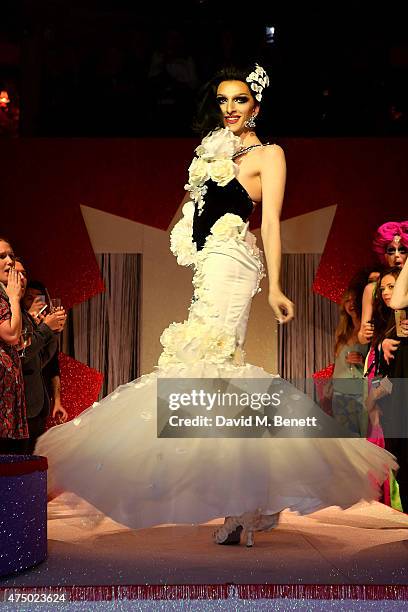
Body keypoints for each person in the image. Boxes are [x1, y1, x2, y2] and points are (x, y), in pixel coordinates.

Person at [36, 63, 397, 546]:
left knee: (206, 367)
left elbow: (270, 222)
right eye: (223, 99)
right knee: (212, 377)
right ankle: (245, 502)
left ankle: (246, 500)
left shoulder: (270, 154)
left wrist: (275, 287)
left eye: (240, 100)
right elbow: (194, 209)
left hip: (236, 262)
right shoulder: (212, 149)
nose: (229, 107)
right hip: (211, 265)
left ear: (257, 106)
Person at [366, 267, 408, 511]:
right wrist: (374, 397)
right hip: (395, 400)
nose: (385, 293)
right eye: (382, 288)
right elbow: (386, 376)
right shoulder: (387, 328)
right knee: (399, 463)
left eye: (391, 286)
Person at [14, 260, 67, 453]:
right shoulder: (14, 316)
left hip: (37, 405)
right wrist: (45, 329)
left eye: (24, 273)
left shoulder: (31, 321)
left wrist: (53, 332)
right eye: (31, 298)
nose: (21, 278)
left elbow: (45, 362)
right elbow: (20, 355)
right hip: (17, 408)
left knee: (33, 460)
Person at [0, 239, 28, 453]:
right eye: (2, 257)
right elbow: (10, 334)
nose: (10, 261)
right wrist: (14, 298)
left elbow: (16, 340)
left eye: (11, 255)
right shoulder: (6, 297)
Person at [332, 289, 368, 436]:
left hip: (360, 391)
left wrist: (363, 360)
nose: (351, 304)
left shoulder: (368, 329)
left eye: (354, 300)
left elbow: (377, 361)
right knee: (345, 439)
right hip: (340, 391)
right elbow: (338, 364)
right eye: (347, 300)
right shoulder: (342, 332)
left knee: (365, 438)